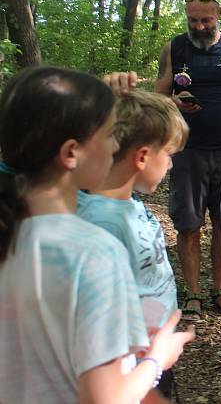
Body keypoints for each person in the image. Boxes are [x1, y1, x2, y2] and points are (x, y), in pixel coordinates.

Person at [0, 66, 194, 404]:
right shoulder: (93, 250)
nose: (116, 146)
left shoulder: (14, 233)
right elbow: (106, 398)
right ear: (71, 152)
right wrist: (156, 359)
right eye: (110, 135)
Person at [76, 90, 189, 400]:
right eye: (168, 156)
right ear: (141, 157)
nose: (169, 167)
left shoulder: (129, 202)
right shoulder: (103, 223)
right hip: (129, 368)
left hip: (153, 353)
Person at [154, 0, 221, 320]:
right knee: (188, 224)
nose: (198, 26)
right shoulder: (176, 48)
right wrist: (176, 103)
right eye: (193, 20)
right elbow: (158, 99)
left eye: (205, 20)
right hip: (188, 152)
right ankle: (194, 293)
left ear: (219, 16)